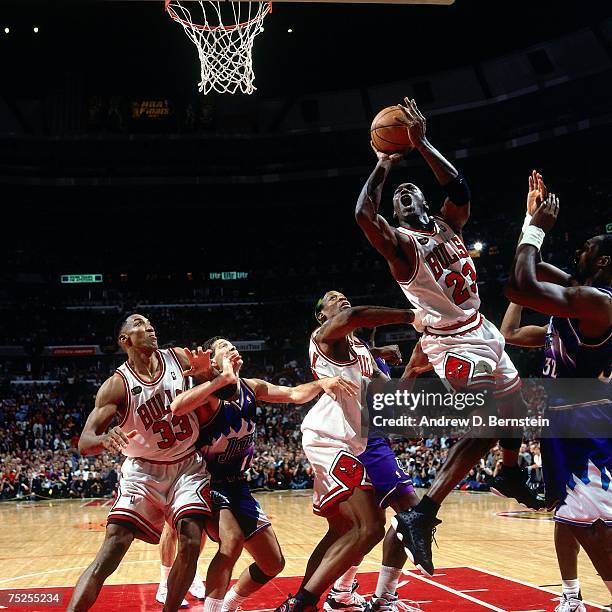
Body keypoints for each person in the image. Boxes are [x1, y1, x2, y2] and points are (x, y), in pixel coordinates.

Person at [354, 97, 539, 576]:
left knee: (515, 411)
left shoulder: (448, 224)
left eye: (411, 191)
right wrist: (384, 166)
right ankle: (423, 511)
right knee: (483, 423)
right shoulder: (401, 248)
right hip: (451, 341)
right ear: (396, 213)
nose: (407, 194)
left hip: (483, 328)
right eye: (400, 196)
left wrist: (422, 143)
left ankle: (509, 471)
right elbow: (362, 215)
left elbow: (459, 186)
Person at [161, 335, 358, 612]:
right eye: (225, 348)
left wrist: (322, 383)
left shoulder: (251, 387)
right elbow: (178, 406)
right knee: (231, 542)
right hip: (209, 482)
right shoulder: (209, 392)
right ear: (213, 362)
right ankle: (212, 609)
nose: (233, 349)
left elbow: (293, 394)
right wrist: (216, 377)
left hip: (239, 485)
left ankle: (231, 603)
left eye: (233, 345)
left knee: (273, 563)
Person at [275, 291, 420, 612]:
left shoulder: (360, 349)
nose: (341, 299)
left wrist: (411, 368)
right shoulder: (325, 335)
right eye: (331, 298)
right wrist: (413, 316)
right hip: (331, 436)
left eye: (343, 296)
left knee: (342, 530)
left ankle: (306, 599)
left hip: (351, 438)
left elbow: (389, 398)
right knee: (369, 527)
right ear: (321, 316)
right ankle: (302, 603)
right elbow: (352, 317)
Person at [504, 186, 612, 612]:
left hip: (585, 422)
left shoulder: (596, 302)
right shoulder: (575, 298)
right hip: (561, 423)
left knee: (598, 526)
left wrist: (538, 229)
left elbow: (521, 285)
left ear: (603, 261)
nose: (578, 252)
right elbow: (522, 295)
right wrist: (526, 226)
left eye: (586, 248)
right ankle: (571, 595)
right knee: (568, 514)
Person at [66, 313, 214, 612]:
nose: (149, 328)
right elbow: (85, 443)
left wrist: (205, 376)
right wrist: (105, 438)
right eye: (140, 326)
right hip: (143, 470)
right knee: (112, 548)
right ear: (125, 340)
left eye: (151, 325)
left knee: (190, 537)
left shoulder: (179, 357)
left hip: (187, 464)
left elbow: (215, 390)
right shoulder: (116, 385)